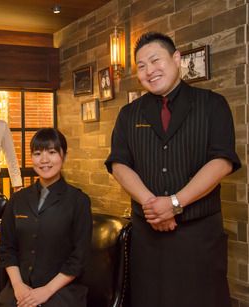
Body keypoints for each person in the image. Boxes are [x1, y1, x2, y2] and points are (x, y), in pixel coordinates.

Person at [105, 32, 241, 307]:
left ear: (177, 59)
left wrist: (176, 203)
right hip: (148, 237)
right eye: (141, 66)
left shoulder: (212, 104)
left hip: (199, 235)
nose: (149, 71)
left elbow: (221, 161)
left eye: (155, 60)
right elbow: (119, 164)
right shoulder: (129, 114)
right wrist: (152, 205)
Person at [0, 128, 92, 307]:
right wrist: (18, 286)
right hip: (21, 288)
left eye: (52, 152)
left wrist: (46, 291)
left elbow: (79, 258)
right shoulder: (17, 199)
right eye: (38, 153)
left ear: (64, 156)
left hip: (62, 290)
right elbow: (7, 248)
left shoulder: (78, 201)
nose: (44, 160)